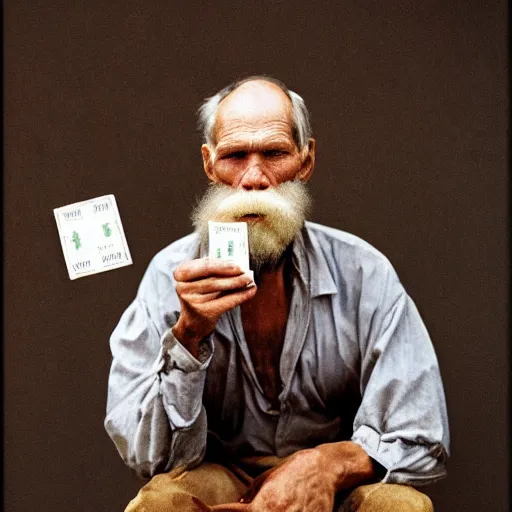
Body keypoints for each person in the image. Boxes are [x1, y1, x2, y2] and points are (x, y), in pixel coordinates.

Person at [105, 76, 449, 512]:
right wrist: (190, 336)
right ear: (210, 165)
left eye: (274, 154)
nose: (253, 178)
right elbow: (152, 458)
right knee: (160, 502)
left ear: (306, 160)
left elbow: (422, 434)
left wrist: (325, 465)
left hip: (332, 490)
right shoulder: (167, 276)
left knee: (401, 506)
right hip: (219, 479)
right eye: (234, 156)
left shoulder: (364, 272)